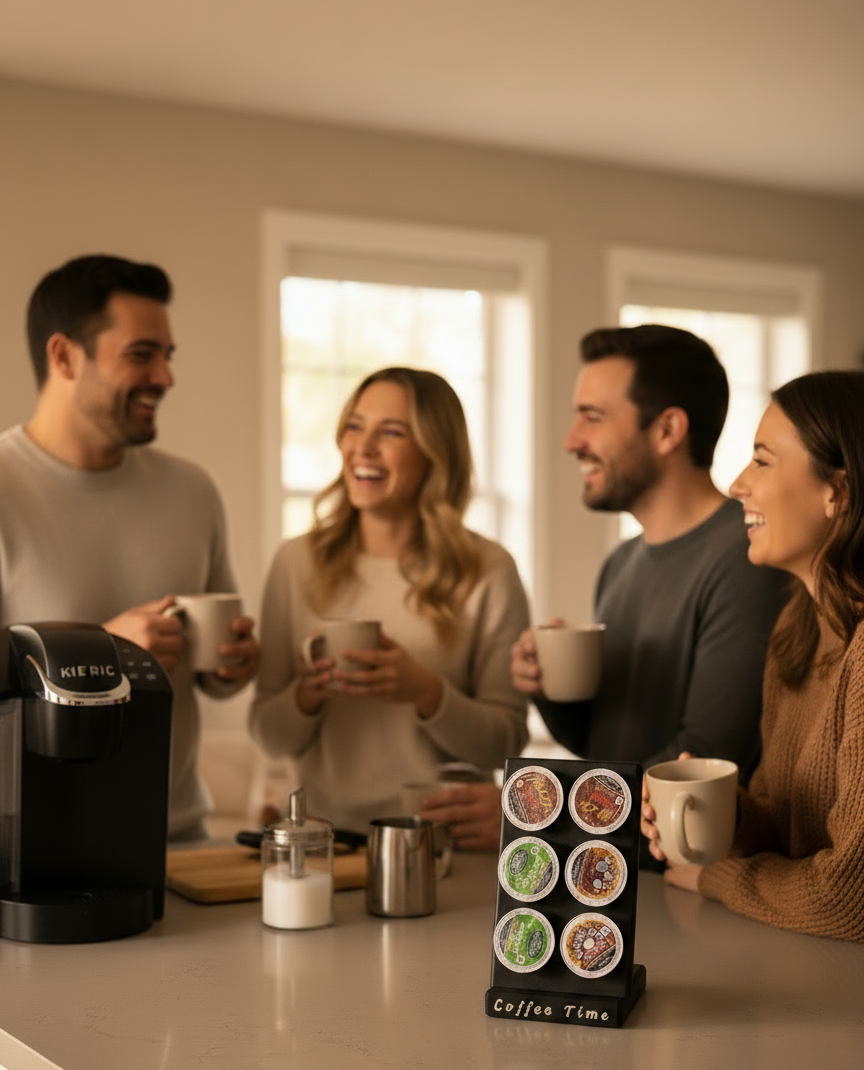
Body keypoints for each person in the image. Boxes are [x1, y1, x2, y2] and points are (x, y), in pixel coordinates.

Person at [423, 325, 787, 851]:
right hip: (614, 883)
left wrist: (534, 809)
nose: (572, 441)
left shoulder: (744, 559)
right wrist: (550, 689)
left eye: (592, 418)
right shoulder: (620, 564)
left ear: (667, 430)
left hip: (689, 894)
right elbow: (601, 746)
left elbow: (698, 766)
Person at [0, 254, 259, 840]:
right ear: (63, 356)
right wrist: (98, 654)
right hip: (33, 851)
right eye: (142, 354)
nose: (165, 377)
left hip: (181, 843)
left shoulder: (193, 491)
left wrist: (231, 666)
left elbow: (211, 679)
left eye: (167, 356)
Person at [248, 366, 530, 831]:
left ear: (434, 453)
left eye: (392, 432)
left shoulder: (490, 570)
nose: (363, 447)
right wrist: (306, 694)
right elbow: (268, 735)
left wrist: (425, 692)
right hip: (328, 841)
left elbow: (505, 743)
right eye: (355, 426)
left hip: (440, 845)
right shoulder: (295, 563)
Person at [642, 371, 864, 941]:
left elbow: (849, 897)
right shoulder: (798, 630)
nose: (739, 484)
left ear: (835, 490)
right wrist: (725, 817)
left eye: (763, 461)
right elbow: (782, 825)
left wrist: (712, 874)